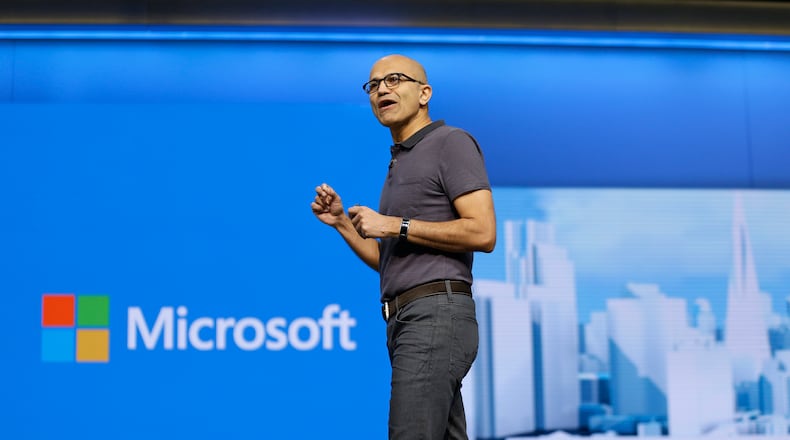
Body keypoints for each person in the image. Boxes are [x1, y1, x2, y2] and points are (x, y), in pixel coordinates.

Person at [311, 54, 496, 440]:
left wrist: (395, 225)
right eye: (374, 85)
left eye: (394, 79)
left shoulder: (450, 143)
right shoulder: (401, 160)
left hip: (434, 316)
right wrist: (343, 223)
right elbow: (389, 261)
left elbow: (483, 232)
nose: (382, 89)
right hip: (405, 318)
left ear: (424, 92)